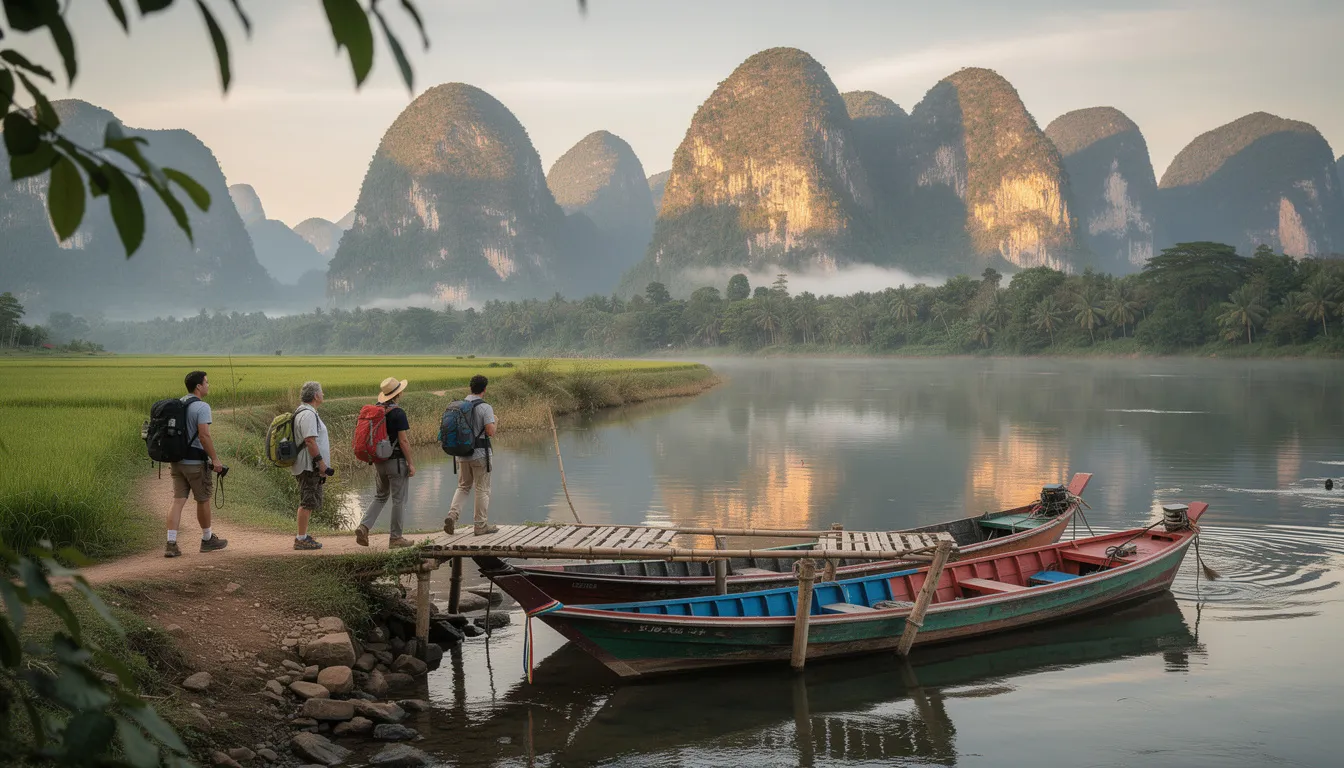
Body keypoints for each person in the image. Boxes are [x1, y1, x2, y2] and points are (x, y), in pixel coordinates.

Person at [165, 370, 228, 557]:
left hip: (177, 462)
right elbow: (204, 435)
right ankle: (208, 539)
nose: (208, 385)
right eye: (206, 382)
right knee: (203, 499)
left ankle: (171, 543)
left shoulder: (179, 404)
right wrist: (215, 459)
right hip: (195, 462)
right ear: (199, 386)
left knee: (178, 501)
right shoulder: (202, 407)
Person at [356, 376, 415, 549]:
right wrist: (411, 463)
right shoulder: (398, 413)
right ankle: (396, 538)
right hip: (396, 462)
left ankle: (364, 527)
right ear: (398, 393)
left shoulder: (376, 410)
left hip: (378, 461)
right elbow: (403, 441)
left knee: (381, 496)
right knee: (399, 500)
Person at [444, 374, 498, 536]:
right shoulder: (485, 407)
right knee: (482, 489)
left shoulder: (460, 406)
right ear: (484, 389)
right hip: (481, 454)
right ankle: (480, 526)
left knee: (463, 486)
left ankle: (452, 516)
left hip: (461, 454)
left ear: (470, 388)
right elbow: (490, 431)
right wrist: (496, 421)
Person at [291, 381, 328, 550]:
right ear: (315, 396)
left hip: (307, 465)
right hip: (308, 466)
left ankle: (303, 535)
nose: (323, 395)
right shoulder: (308, 415)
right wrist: (320, 463)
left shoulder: (306, 412)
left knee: (309, 501)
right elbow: (310, 441)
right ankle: (301, 539)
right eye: (321, 392)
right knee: (307, 501)